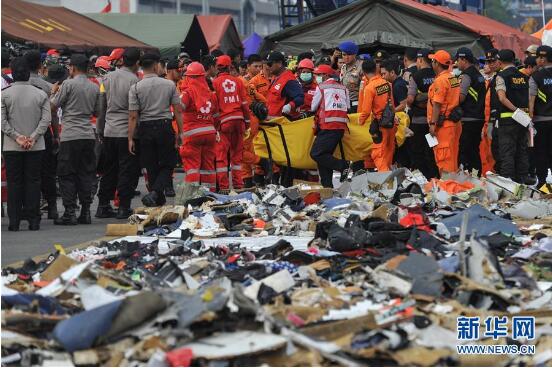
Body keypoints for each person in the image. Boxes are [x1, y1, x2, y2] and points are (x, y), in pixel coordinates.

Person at [128, 52, 184, 207]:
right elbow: (178, 110)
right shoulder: (169, 85)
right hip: (164, 125)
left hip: (145, 127)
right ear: (155, 65)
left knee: (150, 164)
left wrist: (130, 138)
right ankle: (156, 193)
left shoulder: (136, 87)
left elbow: (133, 115)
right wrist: (180, 132)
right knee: (168, 163)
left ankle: (157, 197)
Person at [1, 57, 51, 231]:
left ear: (12, 74)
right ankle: (33, 220)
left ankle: (14, 221)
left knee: (14, 182)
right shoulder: (40, 93)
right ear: (29, 74)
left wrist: (17, 137)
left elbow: (2, 121)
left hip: (12, 146)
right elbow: (46, 120)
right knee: (33, 182)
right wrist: (34, 137)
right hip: (35, 146)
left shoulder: (4, 94)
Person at [50, 54, 100, 225]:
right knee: (86, 173)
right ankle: (85, 212)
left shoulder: (68, 84)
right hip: (87, 134)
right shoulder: (94, 87)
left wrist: (53, 93)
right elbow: (98, 112)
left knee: (67, 174)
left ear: (72, 67)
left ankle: (69, 212)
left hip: (70, 135)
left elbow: (53, 105)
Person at [95, 48, 141, 219]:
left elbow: (101, 107)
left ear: (121, 60)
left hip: (109, 131)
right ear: (136, 63)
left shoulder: (106, 78)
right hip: (126, 132)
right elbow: (135, 111)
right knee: (126, 171)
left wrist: (100, 130)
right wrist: (134, 135)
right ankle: (123, 207)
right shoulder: (135, 81)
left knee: (109, 170)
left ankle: (103, 205)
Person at [23, 50, 61, 220]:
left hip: (21, 134)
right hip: (43, 132)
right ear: (40, 66)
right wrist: (55, 135)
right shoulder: (47, 87)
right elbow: (52, 114)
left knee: (27, 173)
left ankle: (31, 208)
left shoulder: (18, 86)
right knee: (47, 172)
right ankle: (52, 207)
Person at [493, 49, 532, 183]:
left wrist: (516, 110)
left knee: (507, 152)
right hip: (524, 119)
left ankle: (508, 183)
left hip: (508, 119)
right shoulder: (523, 76)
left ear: (500, 61)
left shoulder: (501, 76)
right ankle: (523, 179)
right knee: (522, 150)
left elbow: (502, 98)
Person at [309, 64, 351, 188]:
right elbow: (348, 107)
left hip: (327, 126)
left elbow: (313, 107)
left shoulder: (321, 87)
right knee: (324, 158)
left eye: (318, 75)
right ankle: (327, 188)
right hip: (340, 127)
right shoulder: (343, 88)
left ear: (326, 75)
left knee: (316, 154)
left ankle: (343, 166)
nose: (316, 77)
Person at [213, 55, 251, 190]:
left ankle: (223, 187)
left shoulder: (215, 83)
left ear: (217, 67)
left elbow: (215, 107)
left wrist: (216, 126)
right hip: (239, 120)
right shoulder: (238, 82)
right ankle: (238, 185)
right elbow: (245, 105)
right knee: (237, 157)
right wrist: (247, 123)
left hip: (224, 122)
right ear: (230, 67)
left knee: (222, 157)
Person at [179, 62, 218, 191]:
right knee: (208, 168)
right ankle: (209, 195)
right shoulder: (211, 94)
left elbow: (179, 109)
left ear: (189, 77)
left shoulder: (188, 93)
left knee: (192, 167)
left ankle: (192, 195)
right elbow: (216, 115)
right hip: (210, 134)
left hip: (192, 135)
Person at [405, 49, 438, 179]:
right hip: (433, 122)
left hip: (418, 121)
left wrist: (417, 98)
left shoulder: (416, 76)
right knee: (432, 150)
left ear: (420, 60)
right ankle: (434, 176)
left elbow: (410, 99)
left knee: (417, 151)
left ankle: (423, 178)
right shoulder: (437, 75)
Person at [427, 50, 461, 175]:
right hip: (453, 123)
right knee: (452, 159)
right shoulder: (452, 78)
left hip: (444, 126)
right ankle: (452, 187)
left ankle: (448, 188)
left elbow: (437, 104)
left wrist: (432, 124)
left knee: (444, 161)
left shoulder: (441, 81)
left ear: (437, 63)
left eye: (433, 61)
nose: (432, 63)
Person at [359, 59, 396, 172]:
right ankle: (389, 177)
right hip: (391, 123)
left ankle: (385, 179)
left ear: (364, 72)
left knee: (378, 153)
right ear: (376, 69)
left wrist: (360, 122)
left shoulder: (369, 88)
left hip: (379, 125)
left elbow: (365, 111)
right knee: (389, 151)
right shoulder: (387, 84)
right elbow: (392, 104)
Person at [455, 47, 486, 174]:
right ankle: (476, 175)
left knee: (464, 150)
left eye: (457, 60)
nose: (456, 63)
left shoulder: (466, 75)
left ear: (463, 59)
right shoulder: (479, 75)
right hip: (478, 118)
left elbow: (460, 97)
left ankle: (467, 177)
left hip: (467, 118)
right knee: (474, 150)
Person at [528, 45, 552, 187]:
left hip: (541, 121)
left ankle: (543, 185)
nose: (537, 59)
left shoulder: (535, 77)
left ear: (543, 59)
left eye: (538, 57)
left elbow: (532, 99)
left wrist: (530, 117)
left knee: (541, 152)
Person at [265, 51, 304, 120]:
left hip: (282, 123)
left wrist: (290, 106)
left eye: (270, 64)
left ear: (279, 63)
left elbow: (300, 97)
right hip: (272, 121)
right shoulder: (275, 77)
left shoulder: (289, 80)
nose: (268, 67)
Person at [339, 41, 363, 112]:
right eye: (344, 55)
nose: (346, 57)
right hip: (344, 103)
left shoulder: (361, 67)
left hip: (357, 104)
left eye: (349, 55)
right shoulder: (343, 67)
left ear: (355, 54)